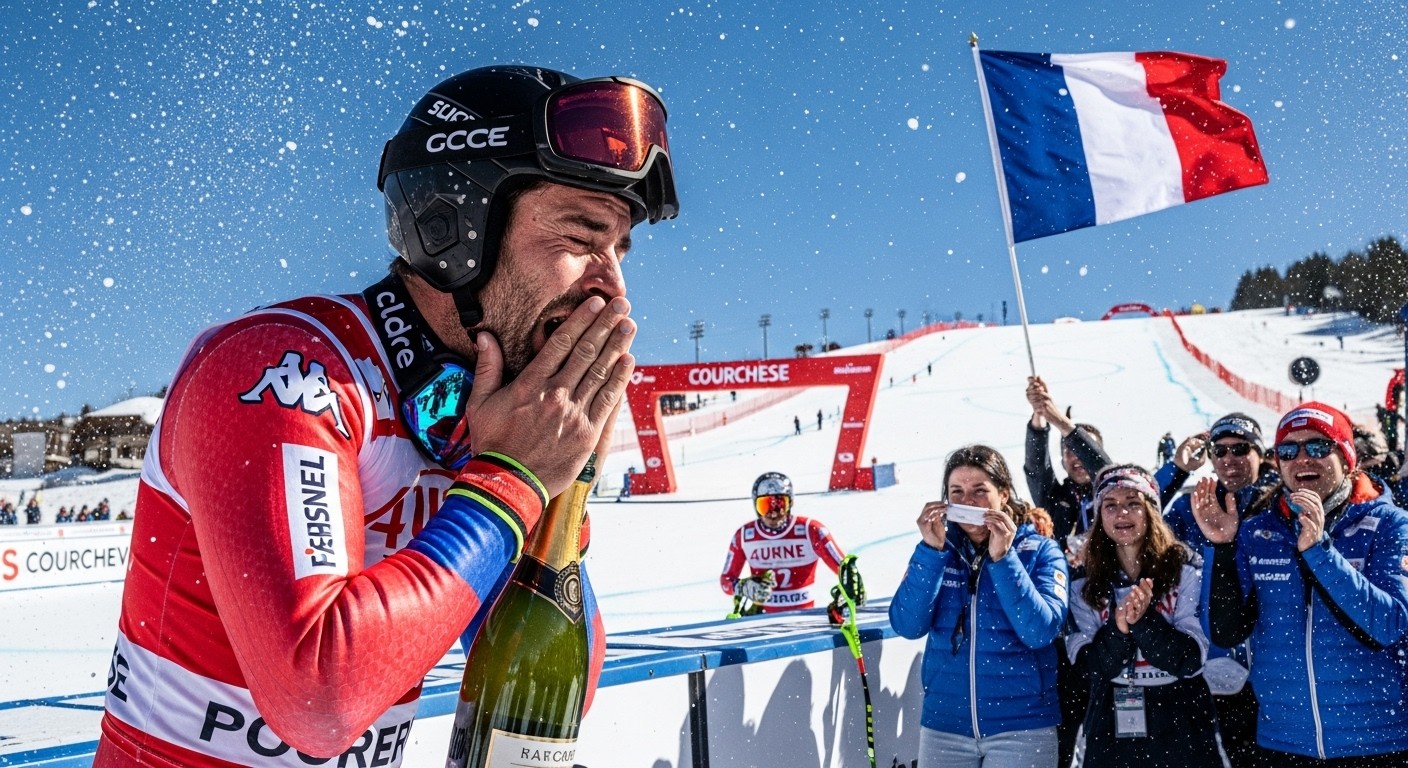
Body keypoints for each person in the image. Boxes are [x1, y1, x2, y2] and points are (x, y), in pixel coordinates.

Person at [95, 64, 679, 767]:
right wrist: (511, 478)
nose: (613, 288)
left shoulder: (478, 413)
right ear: (455, 227)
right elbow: (318, 700)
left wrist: (564, 491)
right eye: (583, 240)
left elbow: (549, 697)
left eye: (619, 250)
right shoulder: (285, 366)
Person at [1197, 402, 1408, 765]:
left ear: (1347, 458)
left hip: (1377, 741)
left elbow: (1388, 626)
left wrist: (1319, 552)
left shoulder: (1390, 524)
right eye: (1288, 451)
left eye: (1318, 446)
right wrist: (1223, 549)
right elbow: (1224, 632)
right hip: (1284, 741)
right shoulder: (1258, 532)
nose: (1302, 459)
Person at [889, 445, 1068, 768]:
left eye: (979, 491)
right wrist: (930, 552)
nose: (967, 502)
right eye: (956, 491)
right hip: (944, 727)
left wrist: (1004, 559)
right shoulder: (937, 550)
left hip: (1022, 728)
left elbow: (1040, 631)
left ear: (1004, 494)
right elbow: (907, 625)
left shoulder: (1041, 551)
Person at [1067, 464, 1221, 767]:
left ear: (1151, 511)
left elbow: (1189, 660)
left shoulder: (1186, 568)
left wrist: (1144, 622)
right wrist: (1119, 629)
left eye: (1133, 503)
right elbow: (1090, 670)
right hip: (1110, 719)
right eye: (1110, 505)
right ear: (1099, 516)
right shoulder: (1083, 581)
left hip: (1181, 716)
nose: (1122, 513)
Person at [1162, 412, 1276, 768]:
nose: (1229, 459)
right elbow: (1139, 523)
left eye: (1240, 449)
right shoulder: (1193, 506)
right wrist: (1176, 470)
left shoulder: (1279, 502)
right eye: (1220, 450)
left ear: (1260, 453)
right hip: (1211, 667)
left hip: (1273, 667)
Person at [719, 471, 864, 613]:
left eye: (780, 505)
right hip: (763, 620)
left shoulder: (811, 530)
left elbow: (844, 568)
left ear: (791, 503)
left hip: (804, 617)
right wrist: (743, 587)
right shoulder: (744, 536)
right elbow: (726, 581)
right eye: (765, 506)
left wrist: (851, 587)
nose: (773, 513)